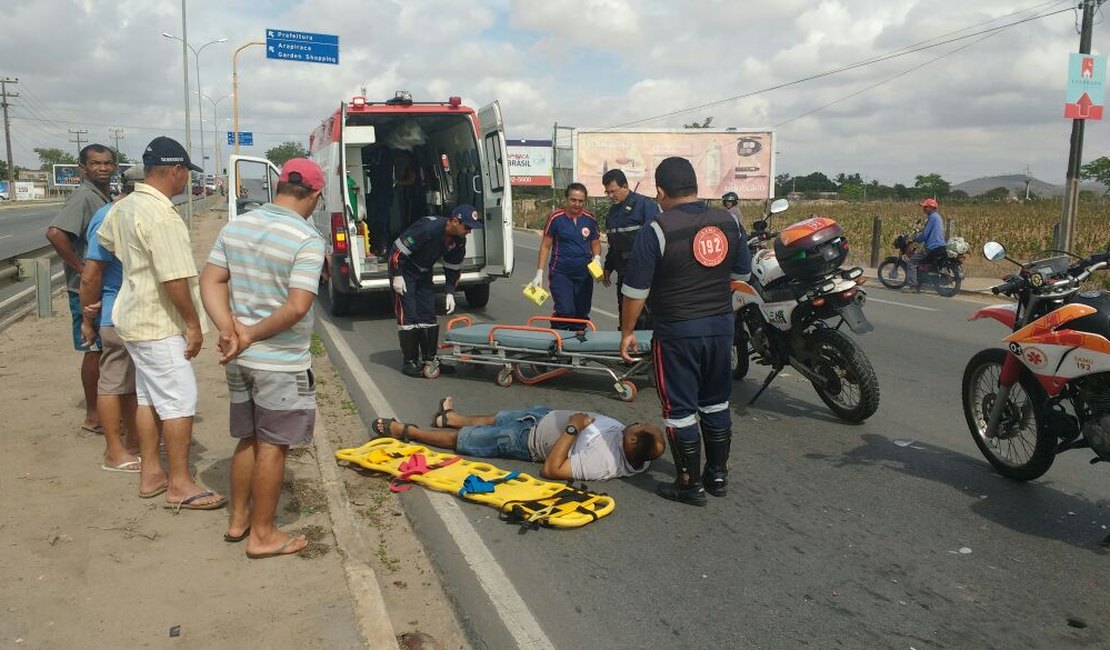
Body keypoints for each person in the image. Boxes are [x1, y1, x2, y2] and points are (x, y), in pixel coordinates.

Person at [200, 157, 326, 559]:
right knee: (273, 445)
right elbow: (297, 307)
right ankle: (264, 535)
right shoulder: (306, 239)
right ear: (315, 196)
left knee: (248, 439)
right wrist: (249, 335)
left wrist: (228, 329)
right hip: (280, 362)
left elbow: (210, 280)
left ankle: (239, 521)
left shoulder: (237, 225)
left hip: (239, 358)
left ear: (278, 189)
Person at [97, 136, 225, 511]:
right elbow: (174, 279)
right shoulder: (161, 214)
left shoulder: (122, 207)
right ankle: (180, 483)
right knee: (178, 402)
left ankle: (152, 473)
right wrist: (193, 324)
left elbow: (108, 246)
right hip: (160, 323)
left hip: (134, 316)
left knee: (147, 398)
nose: (186, 180)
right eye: (185, 173)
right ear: (175, 170)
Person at [618, 157, 752, 506]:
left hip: (677, 330)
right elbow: (741, 275)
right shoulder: (729, 222)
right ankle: (718, 475)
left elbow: (635, 292)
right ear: (695, 185)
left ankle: (689, 484)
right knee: (716, 401)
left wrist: (627, 332)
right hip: (721, 328)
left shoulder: (657, 229)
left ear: (660, 191)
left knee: (679, 409)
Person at [371, 396, 666, 481]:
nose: (639, 422)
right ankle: (451, 417)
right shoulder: (637, 450)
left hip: (526, 440)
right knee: (495, 416)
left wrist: (573, 429)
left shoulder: (603, 463)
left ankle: (407, 431)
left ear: (631, 444)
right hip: (540, 418)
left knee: (466, 439)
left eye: (639, 428)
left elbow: (551, 470)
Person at [45, 143, 116, 434]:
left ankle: (103, 412)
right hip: (85, 288)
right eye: (95, 163)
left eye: (107, 163)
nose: (102, 168)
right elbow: (55, 233)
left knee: (103, 350)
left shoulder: (100, 195)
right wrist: (80, 267)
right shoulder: (85, 196)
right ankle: (93, 415)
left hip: (99, 285)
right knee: (95, 351)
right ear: (82, 168)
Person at [80, 166, 143, 473]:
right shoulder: (111, 215)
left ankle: (132, 442)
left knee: (130, 383)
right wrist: (87, 316)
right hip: (115, 310)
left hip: (131, 311)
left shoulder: (121, 212)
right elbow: (92, 273)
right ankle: (114, 451)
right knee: (112, 383)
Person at [390, 204, 483, 378]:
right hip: (405, 269)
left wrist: (449, 292)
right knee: (409, 314)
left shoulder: (458, 240)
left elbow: (453, 267)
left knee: (428, 313)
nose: (469, 231)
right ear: (455, 221)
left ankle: (429, 359)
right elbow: (397, 250)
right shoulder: (428, 229)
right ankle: (409, 362)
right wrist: (397, 274)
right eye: (467, 227)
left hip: (424, 271)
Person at [527, 183, 601, 329]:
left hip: (584, 274)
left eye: (581, 201)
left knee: (581, 312)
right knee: (565, 311)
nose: (577, 204)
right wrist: (539, 273)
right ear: (566, 199)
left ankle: (577, 345)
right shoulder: (555, 218)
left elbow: (596, 243)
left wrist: (597, 257)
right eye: (573, 200)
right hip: (561, 272)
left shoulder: (590, 219)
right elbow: (545, 246)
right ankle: (557, 342)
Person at [601, 169, 660, 326]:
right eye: (607, 192)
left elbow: (657, 240)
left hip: (645, 276)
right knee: (626, 319)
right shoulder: (612, 214)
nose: (610, 196)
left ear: (625, 186)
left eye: (613, 191)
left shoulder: (645, 206)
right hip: (624, 275)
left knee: (646, 320)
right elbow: (614, 245)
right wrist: (608, 268)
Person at [904, 198, 946, 292]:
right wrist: (921, 229)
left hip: (932, 247)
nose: (923, 209)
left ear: (931, 207)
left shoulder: (932, 218)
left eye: (925, 207)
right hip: (940, 246)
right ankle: (922, 281)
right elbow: (928, 230)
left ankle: (913, 286)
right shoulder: (937, 217)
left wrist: (915, 239)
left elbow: (925, 235)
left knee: (912, 262)